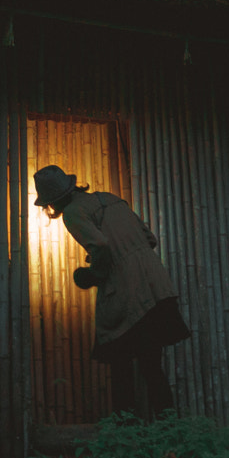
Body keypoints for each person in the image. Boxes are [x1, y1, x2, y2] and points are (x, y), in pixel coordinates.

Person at [32, 164, 191, 420]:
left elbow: (101, 245)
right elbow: (149, 239)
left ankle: (124, 442)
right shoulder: (111, 199)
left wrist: (92, 275)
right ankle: (171, 436)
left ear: (53, 201)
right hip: (157, 286)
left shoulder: (72, 213)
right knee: (152, 368)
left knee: (121, 371)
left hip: (128, 294)